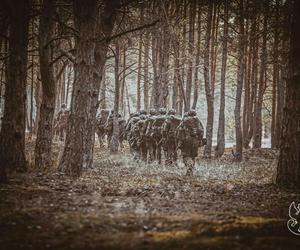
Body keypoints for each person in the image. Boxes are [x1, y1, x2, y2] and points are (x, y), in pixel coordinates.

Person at [177, 109, 205, 176]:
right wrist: (199, 140)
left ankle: (189, 167)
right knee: (193, 156)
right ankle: (191, 171)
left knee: (186, 156)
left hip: (186, 141)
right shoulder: (198, 121)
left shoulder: (184, 121)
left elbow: (179, 131)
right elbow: (201, 131)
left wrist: (179, 140)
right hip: (195, 141)